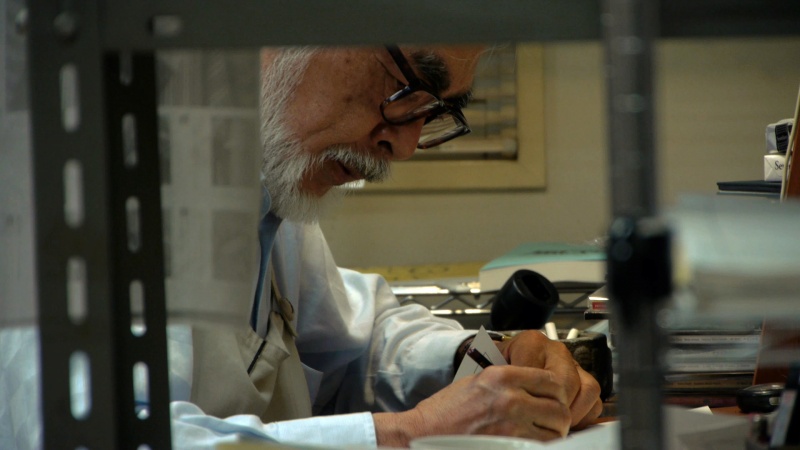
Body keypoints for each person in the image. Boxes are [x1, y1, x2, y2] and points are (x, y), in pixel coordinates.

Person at [0, 44, 602, 450]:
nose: (405, 146)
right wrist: (406, 434)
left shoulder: (265, 176)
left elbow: (355, 347)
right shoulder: (88, 181)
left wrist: (487, 358)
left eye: (435, 111)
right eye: (405, 89)